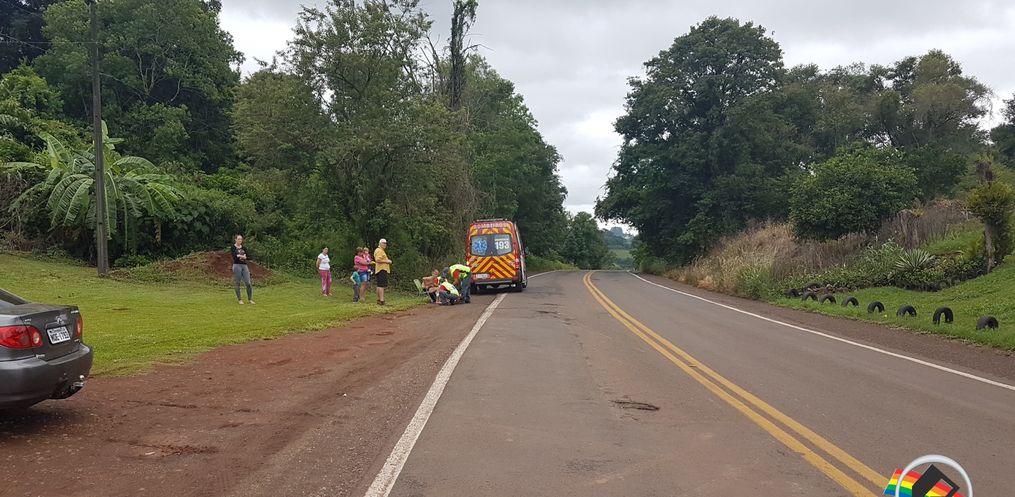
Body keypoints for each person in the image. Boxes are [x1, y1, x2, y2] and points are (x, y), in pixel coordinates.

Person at [230, 235, 254, 305]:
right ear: (235, 240)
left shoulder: (244, 248)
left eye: (241, 239)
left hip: (244, 265)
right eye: (238, 239)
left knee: (248, 283)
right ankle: (240, 299)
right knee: (237, 282)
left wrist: (245, 257)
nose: (240, 240)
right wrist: (241, 256)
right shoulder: (233, 247)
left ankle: (250, 299)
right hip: (237, 266)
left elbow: (249, 257)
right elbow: (234, 257)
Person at [373, 239, 392, 306]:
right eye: (384, 243)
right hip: (382, 269)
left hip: (380, 269)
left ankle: (379, 300)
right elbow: (377, 260)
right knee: (381, 285)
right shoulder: (379, 251)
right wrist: (387, 261)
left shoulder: (380, 250)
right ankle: (382, 300)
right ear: (380, 243)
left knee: (379, 285)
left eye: (386, 243)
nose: (385, 244)